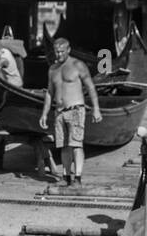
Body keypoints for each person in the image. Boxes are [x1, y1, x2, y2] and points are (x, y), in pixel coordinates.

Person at [39, 37, 102, 189]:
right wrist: (44, 114)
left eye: (61, 51)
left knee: (76, 145)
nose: (58, 55)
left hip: (75, 110)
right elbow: (49, 92)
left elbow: (91, 87)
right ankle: (67, 177)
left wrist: (96, 108)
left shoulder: (77, 65)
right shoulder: (53, 69)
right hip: (59, 112)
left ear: (68, 50)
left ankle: (78, 178)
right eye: (56, 52)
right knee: (64, 146)